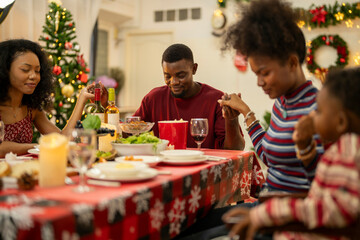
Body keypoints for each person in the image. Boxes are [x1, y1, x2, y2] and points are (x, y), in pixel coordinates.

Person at [224, 67, 360, 240]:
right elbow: (320, 189)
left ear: (340, 122)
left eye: (318, 111)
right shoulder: (342, 148)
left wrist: (266, 213)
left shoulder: (350, 153)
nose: (311, 117)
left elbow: (337, 209)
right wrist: (305, 150)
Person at [218, 0, 325, 193]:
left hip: (290, 215)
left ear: (292, 63)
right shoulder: (282, 103)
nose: (259, 82)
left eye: (265, 73)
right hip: (268, 205)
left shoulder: (319, 109)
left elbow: (323, 184)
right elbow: (268, 156)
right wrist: (245, 111)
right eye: (256, 74)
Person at [0, 39, 106, 157]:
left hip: (25, 171)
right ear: (5, 70)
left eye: (37, 71)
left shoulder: (32, 109)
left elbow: (63, 139)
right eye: (25, 69)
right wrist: (39, 146)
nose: (34, 76)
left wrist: (82, 97)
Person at [134, 43, 245, 150]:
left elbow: (235, 149)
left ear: (194, 69)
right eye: (167, 76)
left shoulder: (217, 100)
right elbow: (132, 132)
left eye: (181, 75)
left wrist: (232, 120)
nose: (174, 82)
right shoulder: (153, 99)